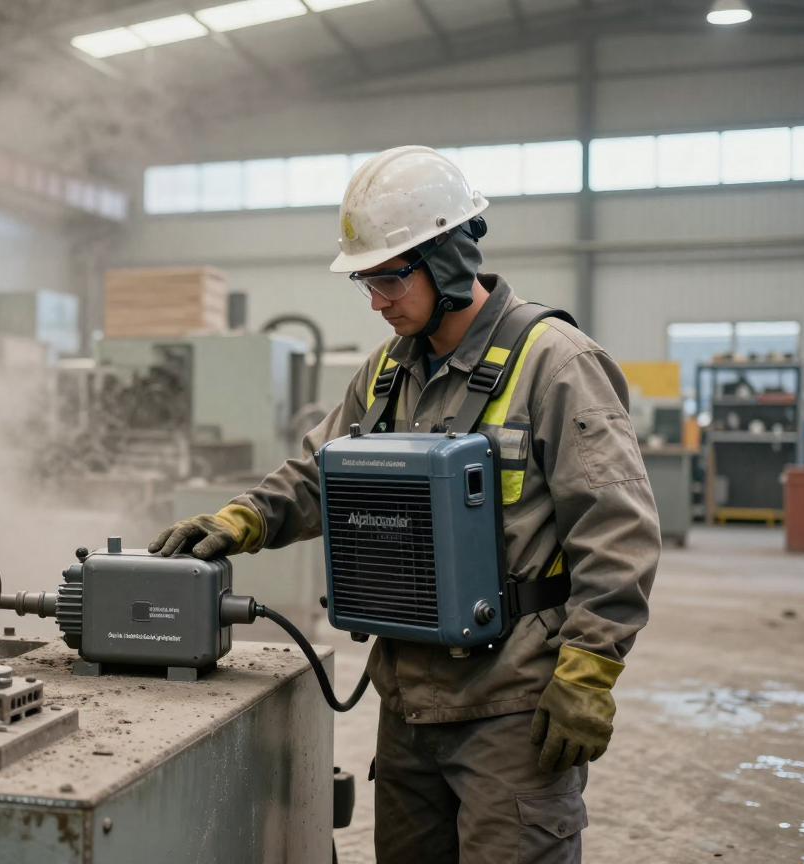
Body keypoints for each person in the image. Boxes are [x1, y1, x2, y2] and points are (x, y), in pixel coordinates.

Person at [149, 145, 660, 863]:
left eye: (389, 278)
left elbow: (619, 529)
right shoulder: (387, 373)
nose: (376, 300)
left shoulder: (556, 362)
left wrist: (590, 669)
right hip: (409, 702)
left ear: (449, 259)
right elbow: (319, 474)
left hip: (510, 707)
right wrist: (240, 520)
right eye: (367, 281)